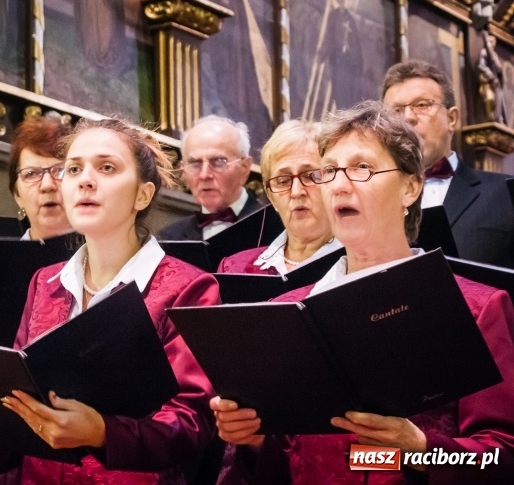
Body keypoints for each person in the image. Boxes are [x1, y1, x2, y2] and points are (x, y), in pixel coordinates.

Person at [212, 102, 514, 483]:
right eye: (329, 171)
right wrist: (254, 441)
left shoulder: (476, 307)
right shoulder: (287, 311)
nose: (339, 184)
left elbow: (502, 460)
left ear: (410, 186)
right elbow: (280, 462)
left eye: (361, 168)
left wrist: (424, 451)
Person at [0, 117, 220, 483]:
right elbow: (20, 398)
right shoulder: (44, 281)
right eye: (74, 169)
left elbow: (193, 423)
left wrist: (102, 432)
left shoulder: (188, 287)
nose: (85, 180)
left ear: (142, 195)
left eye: (107, 167)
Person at [381, 60, 514, 268]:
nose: (407, 118)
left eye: (422, 105)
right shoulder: (368, 199)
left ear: (452, 118)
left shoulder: (504, 193)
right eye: (396, 111)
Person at [218, 119, 342, 275]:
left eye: (310, 176)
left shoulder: (356, 266)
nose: (297, 192)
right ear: (271, 196)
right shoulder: (234, 269)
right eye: (283, 181)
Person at [159, 115, 263, 241]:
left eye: (218, 162)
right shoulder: (168, 238)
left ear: (245, 168)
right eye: (195, 164)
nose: (204, 175)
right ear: (183, 169)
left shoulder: (276, 227)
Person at [8, 114, 73, 240]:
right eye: (31, 174)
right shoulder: (1, 259)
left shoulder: (110, 257)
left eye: (60, 170)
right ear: (17, 195)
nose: (47, 185)